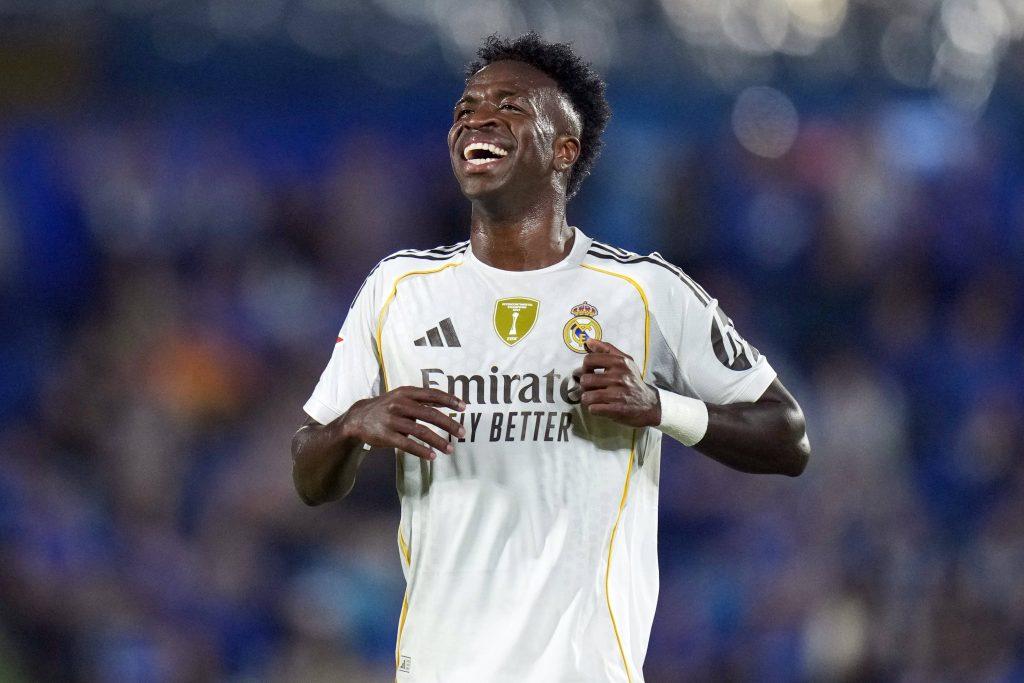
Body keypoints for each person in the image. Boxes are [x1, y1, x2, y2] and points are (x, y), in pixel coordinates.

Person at [292, 32, 810, 683]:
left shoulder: (645, 292)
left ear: (565, 148)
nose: (477, 119)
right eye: (466, 107)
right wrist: (351, 424)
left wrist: (660, 407)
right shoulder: (397, 290)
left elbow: (786, 435)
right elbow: (310, 476)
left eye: (508, 106)